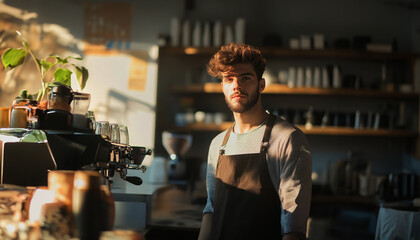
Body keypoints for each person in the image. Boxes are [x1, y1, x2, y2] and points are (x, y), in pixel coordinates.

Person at [198, 43, 312, 240]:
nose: (236, 85)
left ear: (261, 85)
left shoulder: (287, 138)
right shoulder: (218, 144)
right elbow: (211, 208)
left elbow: (293, 227)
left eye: (245, 78)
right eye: (229, 79)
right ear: (222, 86)